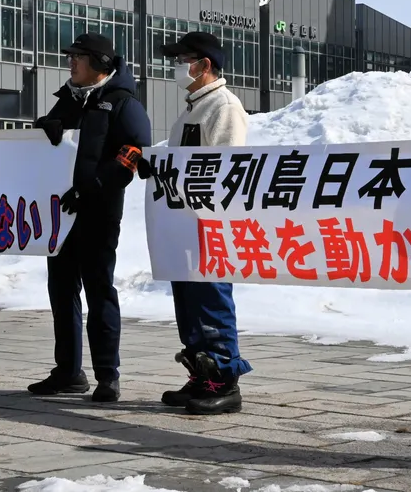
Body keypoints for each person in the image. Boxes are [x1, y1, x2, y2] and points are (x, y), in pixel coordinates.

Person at [28, 33, 151, 403]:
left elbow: (135, 152)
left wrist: (94, 186)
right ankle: (68, 372)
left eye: (77, 57)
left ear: (98, 63)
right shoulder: (66, 99)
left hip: (99, 212)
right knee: (61, 292)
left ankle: (107, 376)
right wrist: (44, 127)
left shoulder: (122, 102)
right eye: (70, 57)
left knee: (99, 292)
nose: (70, 63)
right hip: (60, 215)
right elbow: (52, 149)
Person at [138, 31, 252, 416]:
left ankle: (224, 377)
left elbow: (226, 167)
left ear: (204, 65)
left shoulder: (224, 107)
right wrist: (149, 163)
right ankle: (201, 372)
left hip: (208, 222)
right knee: (188, 301)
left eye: (182, 59)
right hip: (183, 221)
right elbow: (181, 161)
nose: (176, 67)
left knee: (210, 299)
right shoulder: (193, 107)